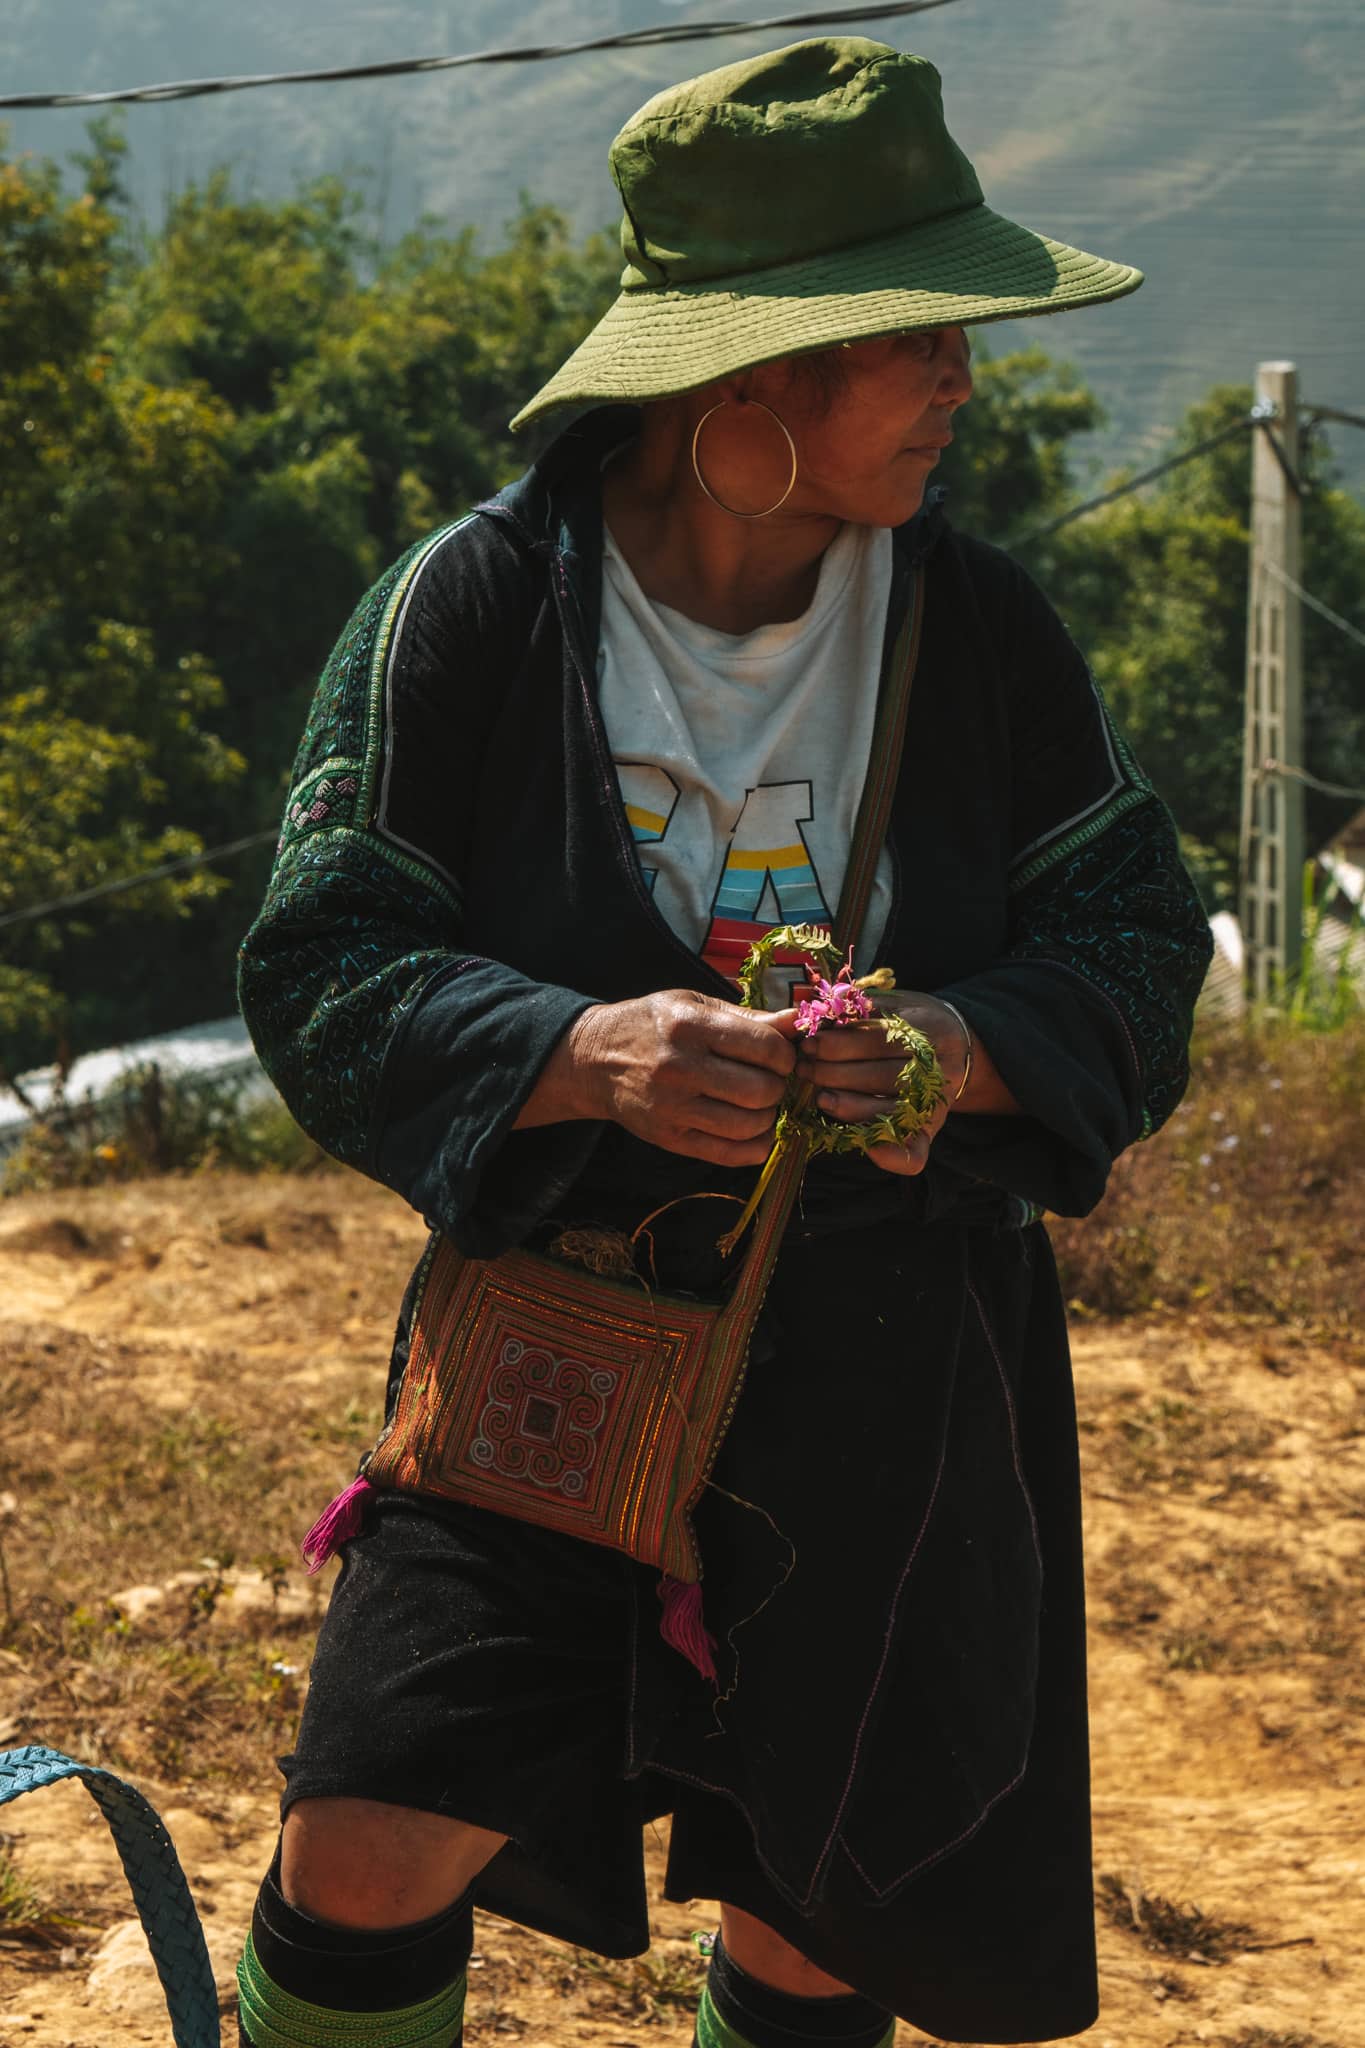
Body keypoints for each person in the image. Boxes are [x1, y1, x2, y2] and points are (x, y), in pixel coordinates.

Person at [235, 36, 1212, 2048]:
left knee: (824, 1906)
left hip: (897, 1379)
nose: (961, 378)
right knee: (370, 1826)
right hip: (550, 1353)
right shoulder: (471, 618)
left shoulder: (987, 639)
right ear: (750, 381)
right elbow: (324, 956)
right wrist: (576, 1050)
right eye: (919, 337)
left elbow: (1129, 935)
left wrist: (952, 1046)